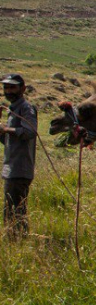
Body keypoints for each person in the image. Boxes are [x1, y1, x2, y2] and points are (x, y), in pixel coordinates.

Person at [1, 73, 37, 238]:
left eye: (12, 87)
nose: (8, 91)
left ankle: (19, 242)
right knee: (10, 212)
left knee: (16, 213)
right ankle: (16, 242)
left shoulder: (25, 108)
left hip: (19, 169)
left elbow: (30, 132)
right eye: (6, 87)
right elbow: (7, 140)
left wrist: (6, 129)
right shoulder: (13, 109)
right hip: (12, 168)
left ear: (23, 88)